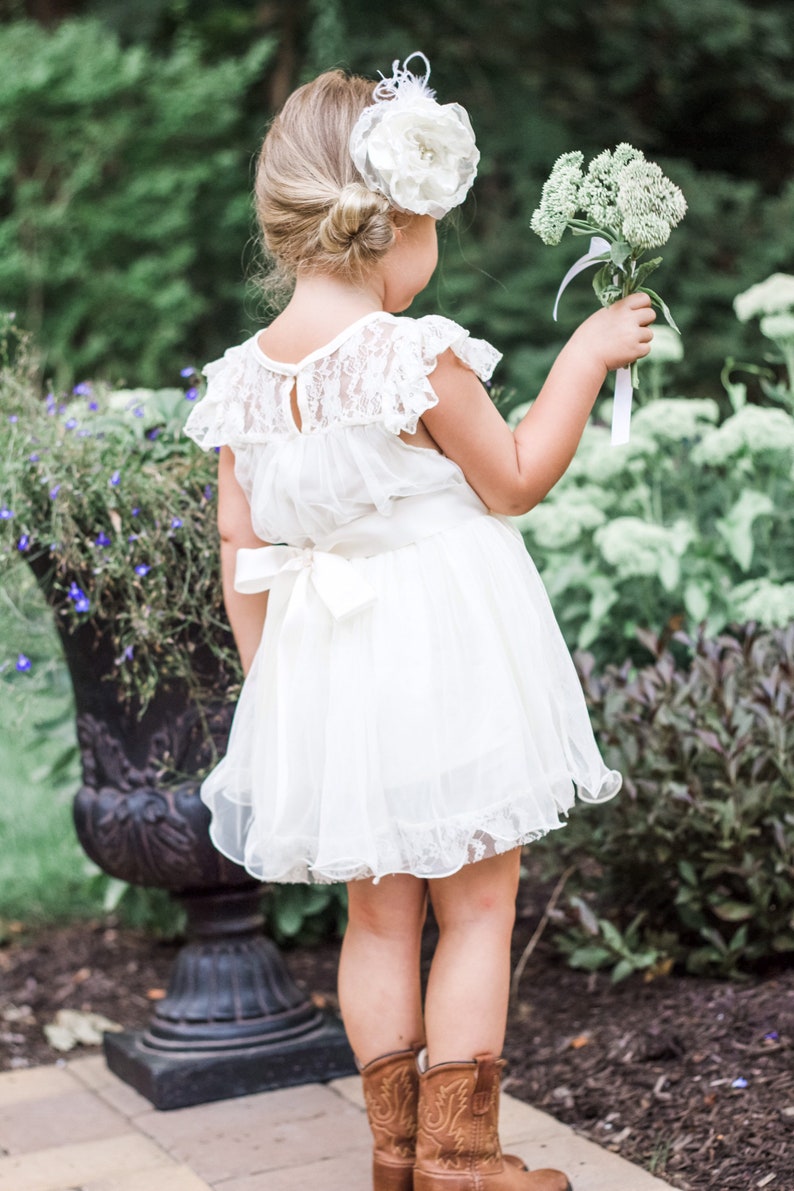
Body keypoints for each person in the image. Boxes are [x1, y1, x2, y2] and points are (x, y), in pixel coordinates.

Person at [184, 53, 654, 1191]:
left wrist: (273, 691)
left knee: (378, 919)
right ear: (395, 220)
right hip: (443, 656)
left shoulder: (242, 382)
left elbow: (242, 553)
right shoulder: (412, 356)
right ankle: (461, 1157)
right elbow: (511, 479)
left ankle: (394, 1154)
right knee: (480, 905)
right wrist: (584, 358)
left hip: (327, 671)